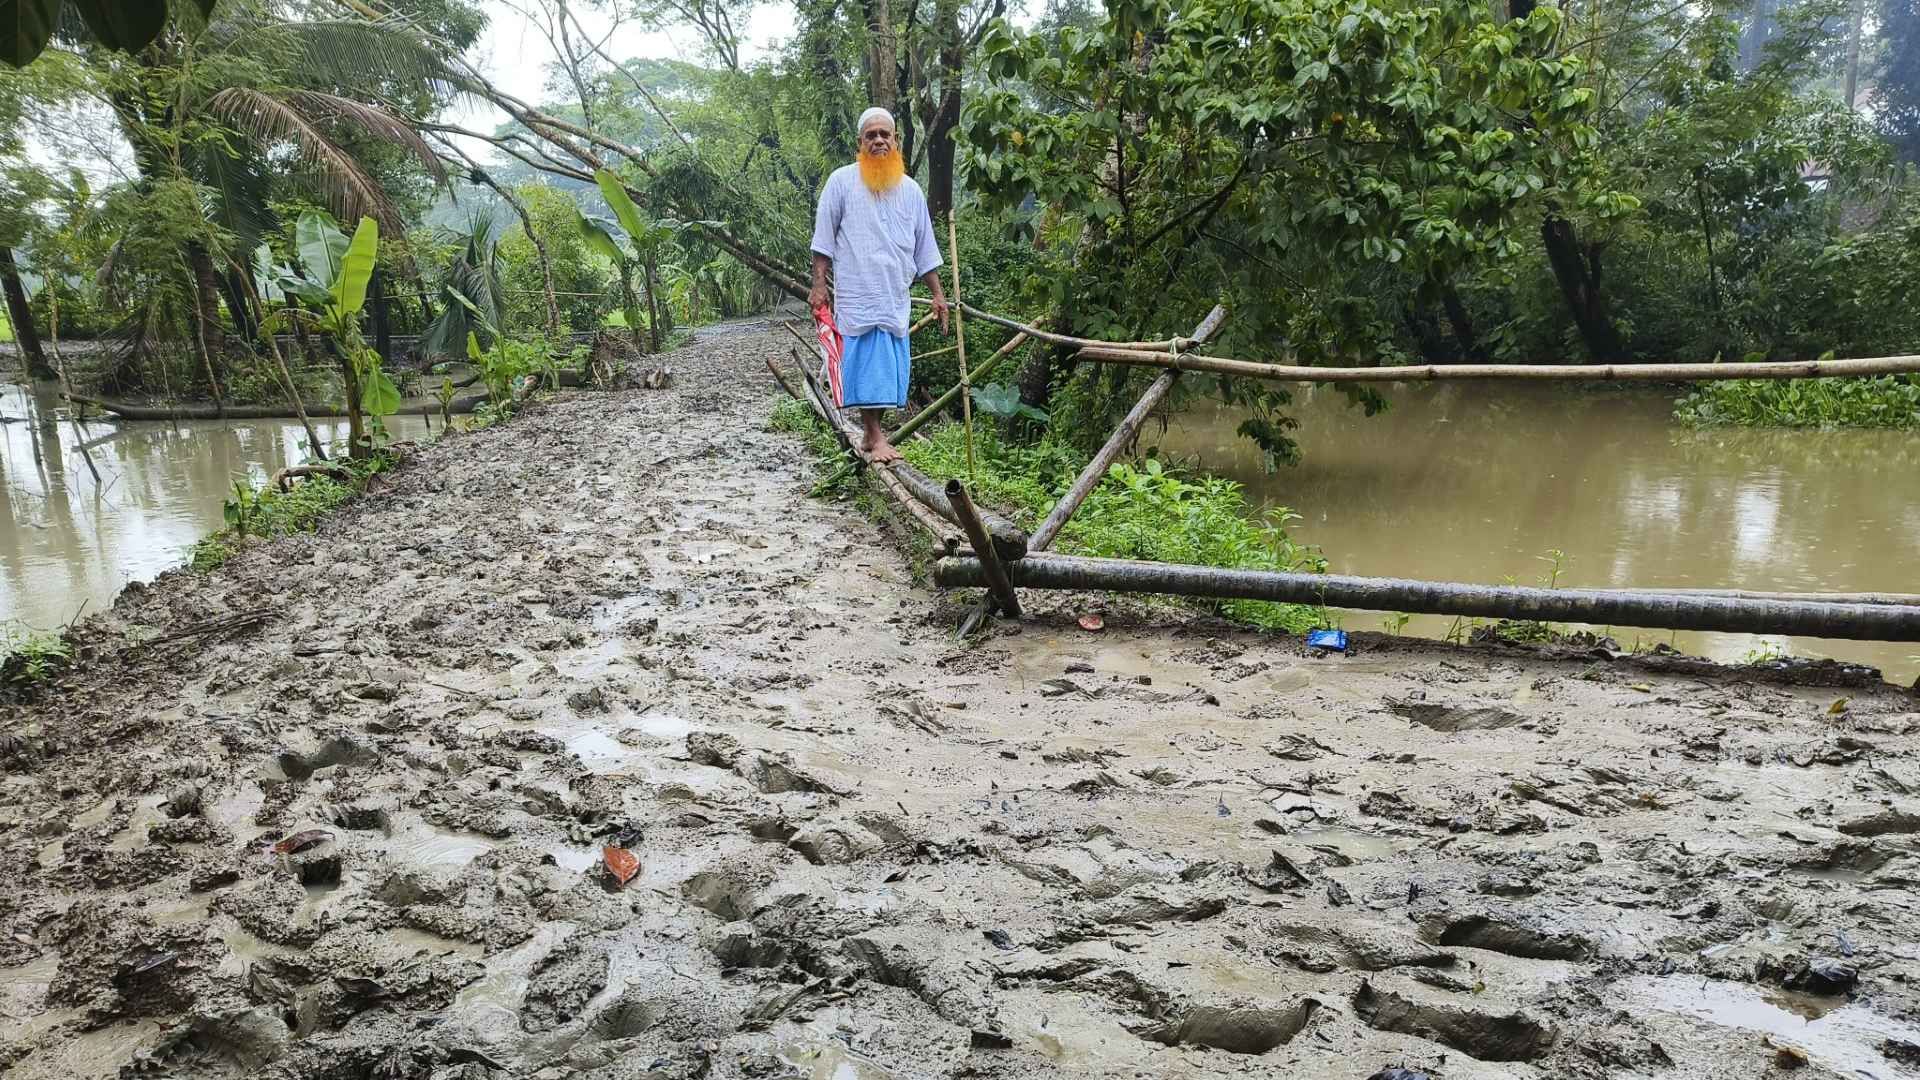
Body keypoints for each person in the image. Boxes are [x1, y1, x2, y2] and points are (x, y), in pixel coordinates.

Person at [809, 106, 949, 464]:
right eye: (871, 135)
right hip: (858, 291)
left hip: (894, 294)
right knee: (865, 365)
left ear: (896, 141)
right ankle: (873, 434)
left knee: (889, 369)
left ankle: (875, 434)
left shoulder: (911, 190)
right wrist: (819, 286)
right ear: (860, 142)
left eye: (885, 134)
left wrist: (938, 295)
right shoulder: (841, 181)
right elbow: (823, 241)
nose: (878, 140)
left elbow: (925, 248)